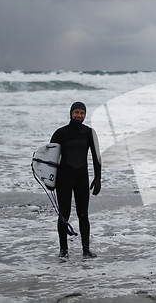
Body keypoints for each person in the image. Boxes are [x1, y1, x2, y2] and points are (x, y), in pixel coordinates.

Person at [50, 101, 102, 258]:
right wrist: (49, 180)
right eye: (77, 112)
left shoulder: (89, 133)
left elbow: (96, 157)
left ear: (85, 115)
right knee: (64, 214)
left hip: (82, 179)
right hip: (63, 179)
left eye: (82, 113)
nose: (79, 115)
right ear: (71, 113)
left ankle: (86, 250)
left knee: (83, 215)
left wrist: (98, 178)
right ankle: (63, 250)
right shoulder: (60, 133)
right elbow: (50, 157)